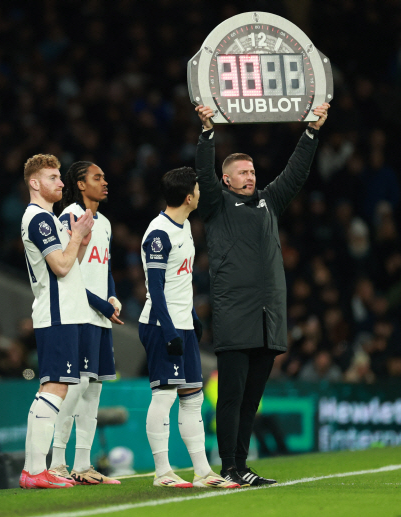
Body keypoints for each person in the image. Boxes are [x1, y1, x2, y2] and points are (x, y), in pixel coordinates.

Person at [194, 102, 330, 486]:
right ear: (226, 179)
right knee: (232, 399)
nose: (250, 176)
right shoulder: (216, 204)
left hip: (270, 317)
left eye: (252, 171)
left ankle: (242, 466)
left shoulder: (270, 202)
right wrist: (207, 133)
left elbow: (296, 173)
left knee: (252, 401)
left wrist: (311, 132)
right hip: (236, 314)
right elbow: (203, 173)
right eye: (242, 172)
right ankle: (229, 468)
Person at [139, 167, 239, 490]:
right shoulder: (159, 233)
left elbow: (179, 281)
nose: (200, 192)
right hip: (160, 325)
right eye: (197, 188)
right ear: (187, 196)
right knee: (165, 396)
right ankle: (162, 472)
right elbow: (155, 289)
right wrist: (169, 331)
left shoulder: (184, 228)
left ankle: (202, 471)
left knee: (192, 398)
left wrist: (192, 317)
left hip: (182, 323)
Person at [19, 154, 94, 489]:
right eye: (53, 177)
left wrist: (79, 240)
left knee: (54, 388)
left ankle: (36, 469)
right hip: (57, 314)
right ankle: (34, 471)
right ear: (35, 183)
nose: (61, 183)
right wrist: (76, 236)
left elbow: (69, 262)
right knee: (55, 387)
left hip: (66, 312)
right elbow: (60, 268)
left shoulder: (47, 219)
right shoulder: (40, 220)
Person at [48, 161, 123, 486]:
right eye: (97, 177)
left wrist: (113, 297)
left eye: (105, 177)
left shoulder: (103, 222)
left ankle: (83, 464)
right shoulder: (69, 218)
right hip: (78, 314)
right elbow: (69, 271)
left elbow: (102, 267)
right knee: (75, 388)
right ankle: (57, 464)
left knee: (93, 391)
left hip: (99, 317)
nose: (104, 182)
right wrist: (100, 305)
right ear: (80, 184)